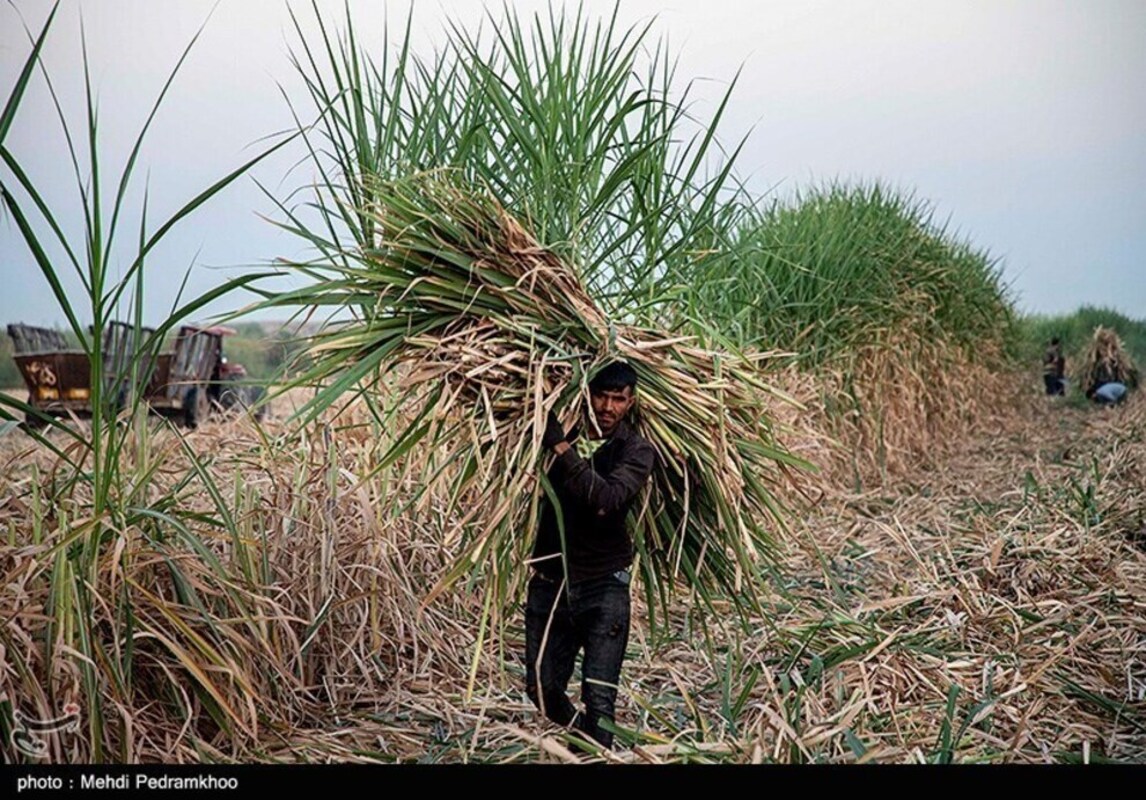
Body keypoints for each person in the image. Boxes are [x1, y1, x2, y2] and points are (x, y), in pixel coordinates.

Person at [524, 360, 656, 750]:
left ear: (631, 402)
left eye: (618, 399)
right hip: (550, 584)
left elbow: (606, 501)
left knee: (599, 700)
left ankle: (596, 753)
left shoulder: (636, 451)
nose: (608, 407)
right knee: (541, 688)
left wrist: (560, 447)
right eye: (601, 395)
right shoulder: (558, 434)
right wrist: (555, 437)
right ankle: (587, 743)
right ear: (587, 394)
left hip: (604, 588)